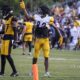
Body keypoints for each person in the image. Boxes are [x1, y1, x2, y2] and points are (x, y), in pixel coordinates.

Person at [20, 0, 54, 77]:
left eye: (40, 10)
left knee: (46, 57)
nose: (39, 11)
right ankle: (33, 71)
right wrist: (24, 8)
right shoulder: (36, 16)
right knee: (35, 57)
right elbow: (28, 17)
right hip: (38, 40)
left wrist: (51, 38)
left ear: (44, 11)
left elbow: (51, 27)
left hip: (45, 40)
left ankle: (47, 72)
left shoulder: (50, 18)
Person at [0, 5, 18, 77]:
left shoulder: (13, 18)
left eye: (4, 11)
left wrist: (16, 41)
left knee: (7, 55)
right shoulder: (7, 19)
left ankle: (15, 71)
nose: (3, 12)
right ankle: (2, 72)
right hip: (4, 38)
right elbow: (4, 31)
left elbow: (15, 30)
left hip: (9, 39)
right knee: (2, 55)